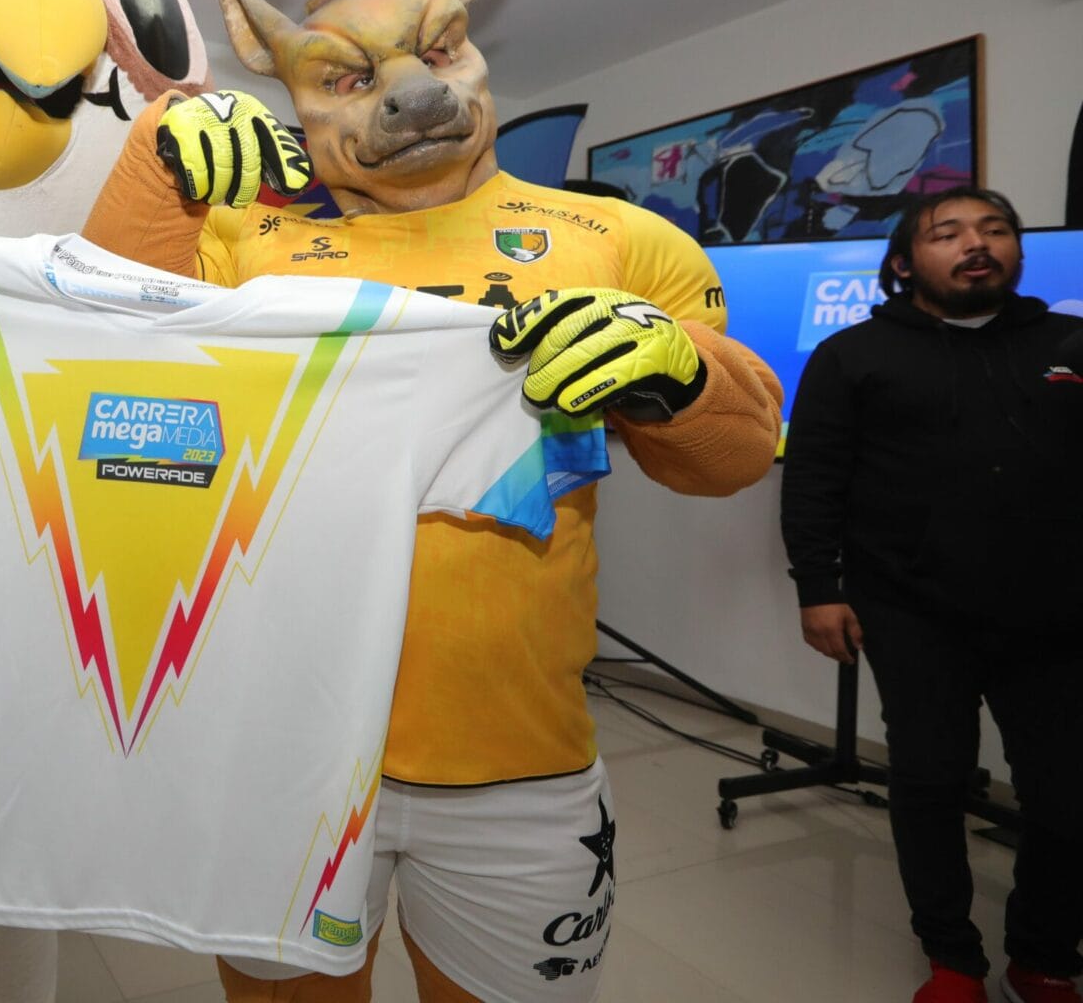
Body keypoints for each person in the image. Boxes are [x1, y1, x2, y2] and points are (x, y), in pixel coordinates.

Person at [79, 78, 783, 1002]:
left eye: (440, 45)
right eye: (349, 74)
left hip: (519, 757)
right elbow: (103, 389)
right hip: (283, 750)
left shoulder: (618, 235)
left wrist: (684, 378)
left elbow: (733, 458)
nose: (411, 87)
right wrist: (156, 157)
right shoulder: (242, 230)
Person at [782, 186, 1083, 1003]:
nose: (975, 243)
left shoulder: (1068, 344)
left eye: (994, 229)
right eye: (947, 233)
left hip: (1056, 614)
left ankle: (1044, 955)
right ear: (905, 263)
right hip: (910, 609)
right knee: (929, 782)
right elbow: (813, 482)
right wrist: (818, 588)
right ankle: (953, 959)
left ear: (1017, 250)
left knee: (1066, 796)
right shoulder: (851, 355)